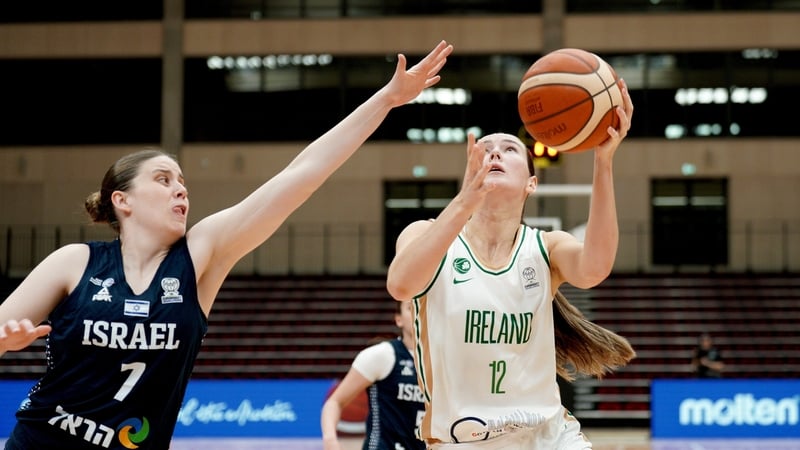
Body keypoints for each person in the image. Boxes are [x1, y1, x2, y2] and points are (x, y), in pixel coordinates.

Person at [0, 40, 453, 450]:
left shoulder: (200, 257)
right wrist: (6, 339)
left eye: (183, 181)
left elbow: (302, 174)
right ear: (123, 201)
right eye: (163, 180)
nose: (181, 190)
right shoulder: (75, 262)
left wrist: (387, 100)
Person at [385, 79, 636, 449]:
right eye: (484, 150)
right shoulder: (426, 233)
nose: (495, 154)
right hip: (462, 441)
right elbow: (401, 285)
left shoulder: (545, 247)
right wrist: (463, 202)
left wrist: (603, 161)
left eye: (509, 149)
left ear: (531, 183)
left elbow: (594, 267)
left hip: (547, 435)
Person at [321, 300, 425, 450]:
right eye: (410, 308)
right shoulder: (383, 355)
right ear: (399, 319)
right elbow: (334, 402)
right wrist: (330, 440)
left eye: (422, 308)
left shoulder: (442, 362)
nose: (417, 314)